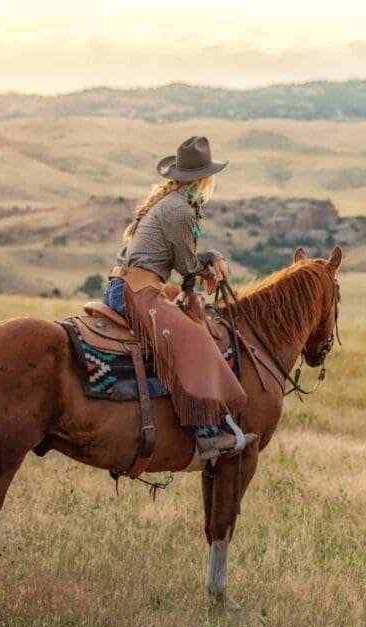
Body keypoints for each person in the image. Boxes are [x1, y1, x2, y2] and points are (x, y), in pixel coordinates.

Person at [102, 136, 255, 460]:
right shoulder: (179, 211)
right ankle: (208, 434)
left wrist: (209, 260)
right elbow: (186, 265)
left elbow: (183, 263)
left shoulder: (170, 202)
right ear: (205, 178)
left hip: (128, 285)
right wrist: (214, 259)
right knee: (192, 337)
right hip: (137, 292)